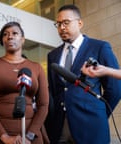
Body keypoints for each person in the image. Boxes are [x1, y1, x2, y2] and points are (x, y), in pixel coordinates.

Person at [45, 4, 121, 144]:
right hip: (59, 128)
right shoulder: (52, 55)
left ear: (80, 23)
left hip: (91, 126)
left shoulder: (99, 47)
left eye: (66, 22)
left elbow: (115, 89)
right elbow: (54, 92)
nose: (61, 27)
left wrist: (99, 116)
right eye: (58, 24)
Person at [0, 21, 49, 144]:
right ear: (2, 40)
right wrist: (3, 136)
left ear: (23, 39)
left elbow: (43, 105)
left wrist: (30, 135)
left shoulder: (36, 67)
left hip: (30, 134)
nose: (10, 36)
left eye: (15, 33)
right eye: (5, 34)